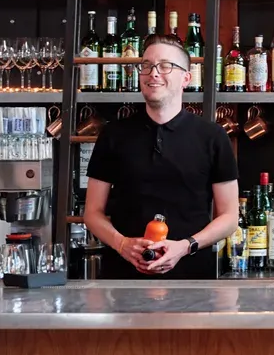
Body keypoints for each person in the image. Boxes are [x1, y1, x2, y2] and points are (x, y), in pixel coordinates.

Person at [83, 35, 239, 279]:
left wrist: (186, 246)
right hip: (123, 279)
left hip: (193, 280)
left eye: (165, 66)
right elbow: (92, 212)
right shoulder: (113, 134)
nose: (153, 73)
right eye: (146, 65)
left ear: (186, 78)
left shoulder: (213, 136)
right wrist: (122, 244)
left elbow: (230, 217)